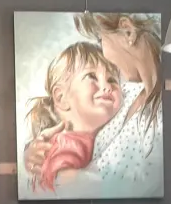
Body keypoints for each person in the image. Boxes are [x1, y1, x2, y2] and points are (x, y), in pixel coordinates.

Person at [23, 13, 163, 198]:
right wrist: (33, 153)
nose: (107, 87)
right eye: (92, 77)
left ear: (128, 31)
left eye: (100, 38)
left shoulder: (161, 114)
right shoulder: (127, 92)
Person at [24, 42, 123, 192]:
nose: (107, 87)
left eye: (112, 80)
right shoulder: (69, 143)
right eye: (92, 76)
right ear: (61, 97)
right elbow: (63, 183)